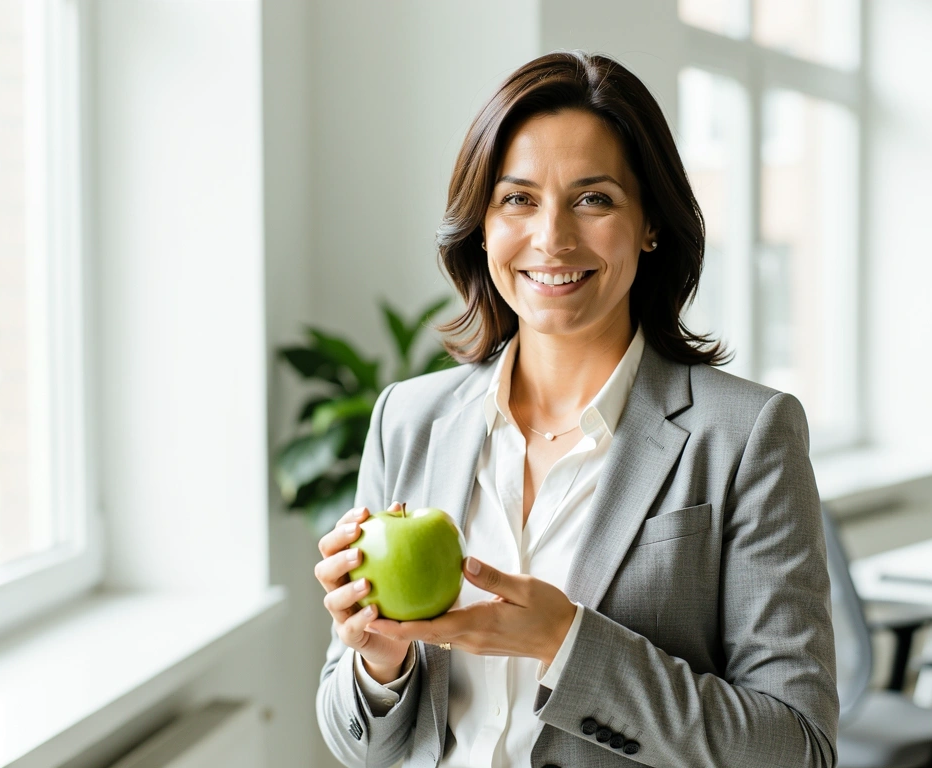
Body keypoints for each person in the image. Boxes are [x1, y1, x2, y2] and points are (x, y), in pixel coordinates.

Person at [313, 50, 837, 768]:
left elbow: (796, 747)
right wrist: (379, 663)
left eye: (593, 199)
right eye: (517, 199)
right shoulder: (407, 419)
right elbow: (360, 747)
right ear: (483, 224)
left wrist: (567, 642)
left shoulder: (746, 436)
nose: (552, 238)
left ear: (649, 222)